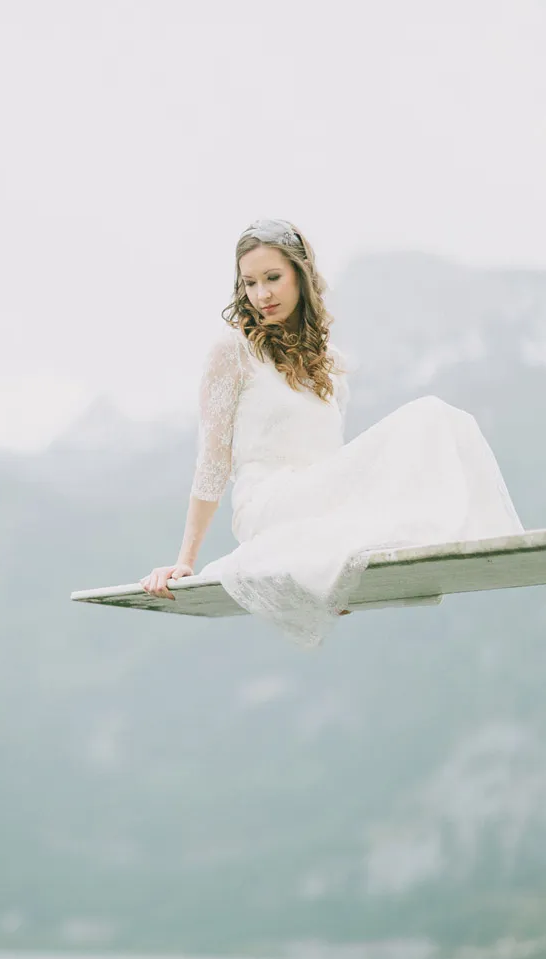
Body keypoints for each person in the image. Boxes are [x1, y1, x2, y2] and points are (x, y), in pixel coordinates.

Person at [140, 218, 524, 649]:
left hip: (319, 499)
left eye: (273, 278)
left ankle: (451, 542)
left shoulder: (332, 364)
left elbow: (331, 460)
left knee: (443, 421)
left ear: (300, 276)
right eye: (249, 283)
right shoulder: (233, 352)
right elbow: (212, 463)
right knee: (427, 414)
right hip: (268, 502)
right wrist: (184, 562)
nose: (261, 294)